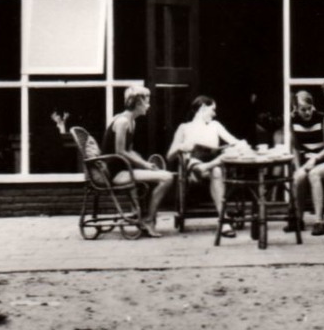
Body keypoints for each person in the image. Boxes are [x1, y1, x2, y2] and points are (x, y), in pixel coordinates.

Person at [103, 85, 175, 238]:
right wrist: (144, 165)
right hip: (116, 173)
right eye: (147, 101)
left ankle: (145, 217)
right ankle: (148, 220)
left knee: (162, 176)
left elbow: (129, 151)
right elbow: (120, 151)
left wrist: (146, 165)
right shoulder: (123, 121)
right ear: (138, 103)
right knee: (168, 177)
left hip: (124, 169)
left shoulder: (131, 121)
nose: (149, 105)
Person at [168, 95, 242, 237]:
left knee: (216, 170)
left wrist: (238, 145)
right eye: (213, 109)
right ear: (202, 107)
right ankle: (224, 221)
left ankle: (223, 220)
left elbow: (234, 141)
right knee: (205, 165)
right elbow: (169, 156)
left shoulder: (215, 125)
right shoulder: (184, 128)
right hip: (193, 169)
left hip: (211, 167)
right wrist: (181, 147)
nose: (215, 114)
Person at [286, 90, 324, 236]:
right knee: (298, 177)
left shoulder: (323, 118)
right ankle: (298, 219)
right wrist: (298, 167)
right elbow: (295, 148)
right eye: (303, 109)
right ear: (295, 108)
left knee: (314, 174)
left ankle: (319, 221)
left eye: (309, 108)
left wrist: (315, 159)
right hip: (309, 161)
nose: (307, 112)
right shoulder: (293, 120)